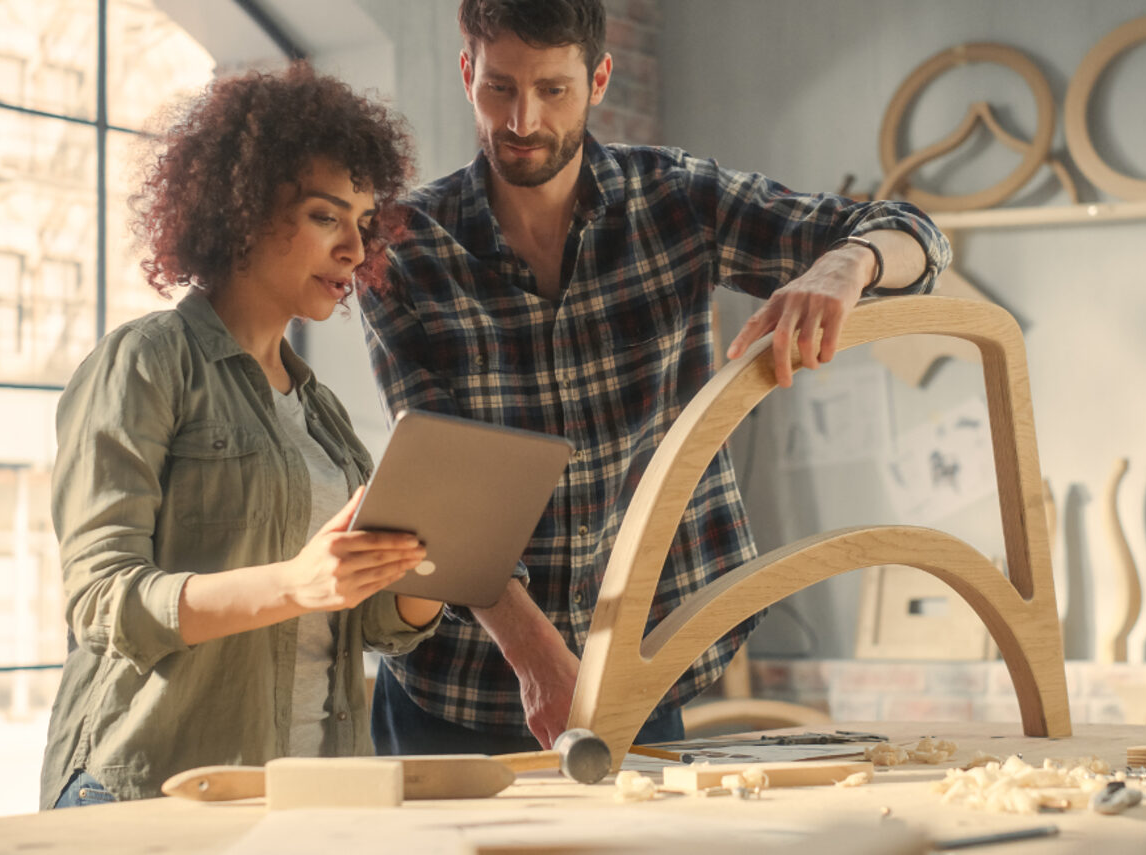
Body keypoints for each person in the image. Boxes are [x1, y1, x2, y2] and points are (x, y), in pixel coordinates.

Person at [360, 0, 952, 754]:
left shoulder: (676, 199)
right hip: (458, 685)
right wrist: (537, 655)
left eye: (553, 90)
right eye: (500, 88)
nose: (522, 121)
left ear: (598, 77)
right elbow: (439, 486)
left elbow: (916, 238)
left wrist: (846, 263)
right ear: (467, 71)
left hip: (641, 662)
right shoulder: (404, 248)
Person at [41, 64, 443, 809]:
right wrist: (294, 583)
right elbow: (101, 598)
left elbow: (378, 625)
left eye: (363, 222)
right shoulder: (146, 363)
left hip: (307, 794)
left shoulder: (321, 415)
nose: (355, 249)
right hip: (151, 794)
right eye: (328, 217)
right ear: (247, 210)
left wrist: (434, 565)